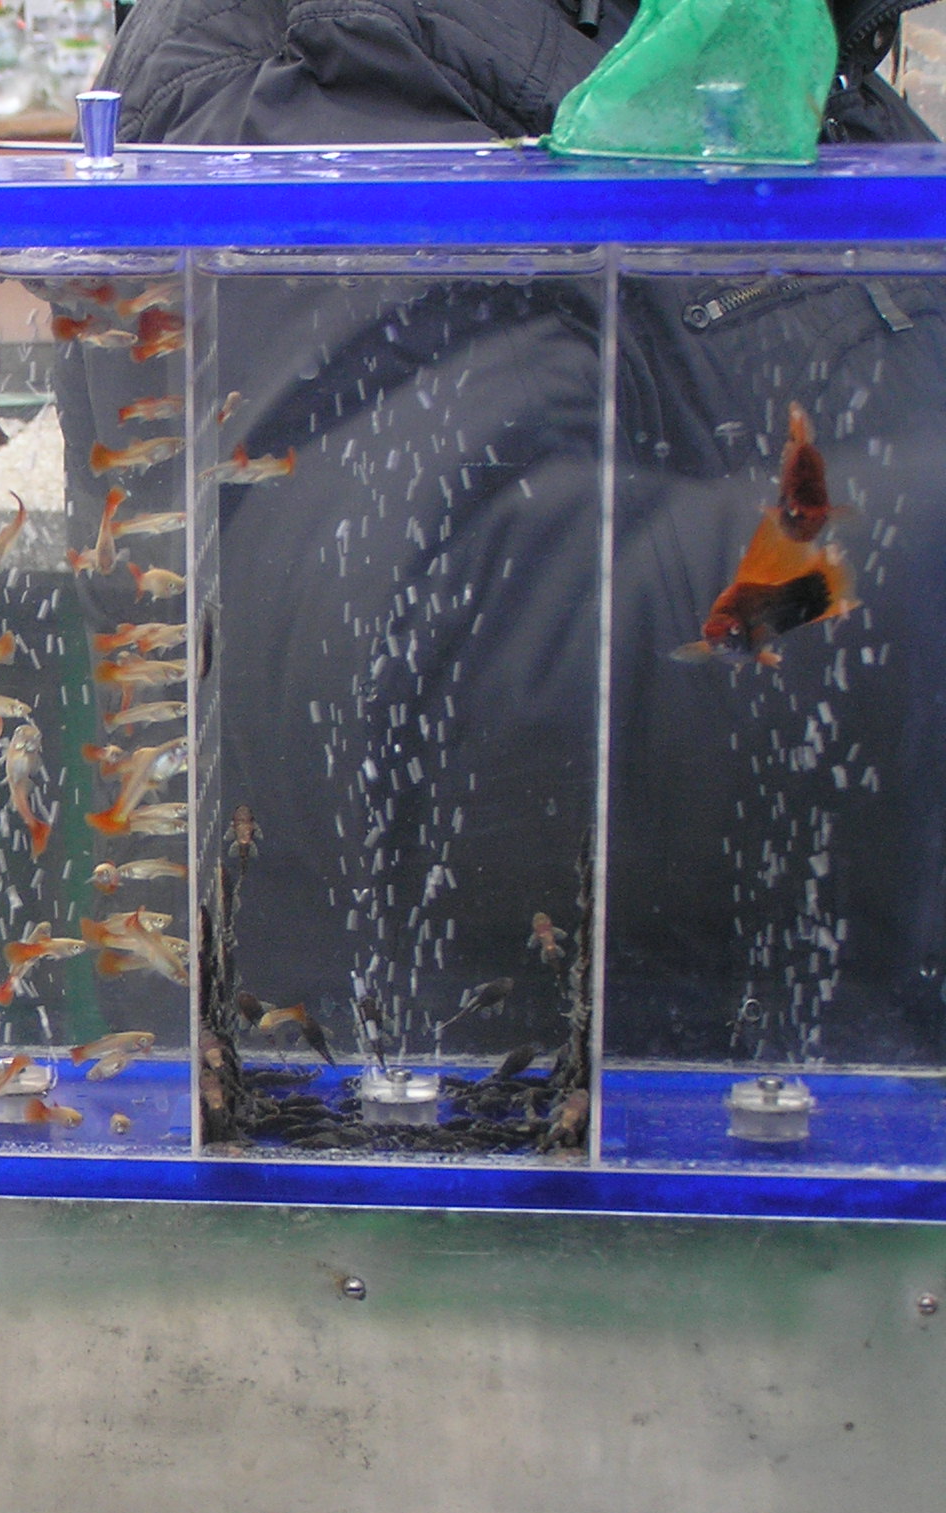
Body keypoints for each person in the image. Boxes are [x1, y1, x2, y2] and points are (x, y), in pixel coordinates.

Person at [62, 0, 946, 1082]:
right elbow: (471, 686)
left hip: (826, 1084)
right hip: (511, 1129)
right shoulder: (314, 66)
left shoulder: (765, 38)